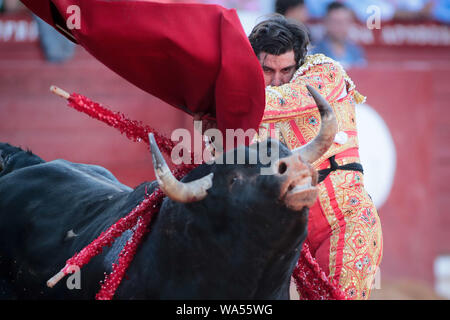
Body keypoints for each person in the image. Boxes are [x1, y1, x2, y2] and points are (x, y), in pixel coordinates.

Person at [248, 15, 383, 300]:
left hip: (348, 221)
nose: (276, 80)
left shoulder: (325, 72)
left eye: (286, 69)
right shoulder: (256, 114)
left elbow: (288, 99)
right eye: (266, 71)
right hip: (299, 240)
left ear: (299, 61)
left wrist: (224, 100)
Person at [311, 2, 366, 69]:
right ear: (326, 22)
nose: (341, 26)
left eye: (345, 21)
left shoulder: (356, 51)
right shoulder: (314, 51)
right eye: (336, 22)